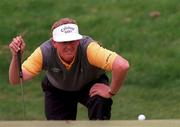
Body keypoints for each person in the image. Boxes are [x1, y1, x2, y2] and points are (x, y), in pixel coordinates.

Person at [9, 18, 129, 120]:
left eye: (72, 41)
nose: (69, 46)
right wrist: (16, 57)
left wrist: (111, 91)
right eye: (63, 42)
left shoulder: (89, 49)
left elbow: (122, 65)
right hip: (58, 90)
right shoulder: (44, 52)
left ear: (78, 40)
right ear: (54, 43)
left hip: (90, 85)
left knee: (100, 101)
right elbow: (16, 79)